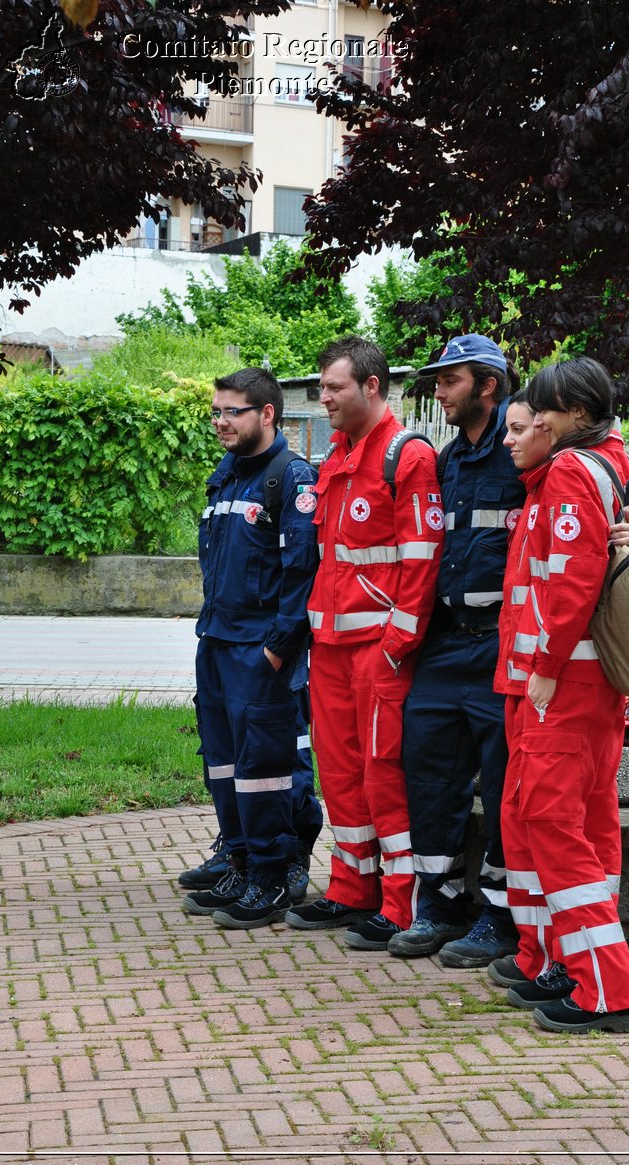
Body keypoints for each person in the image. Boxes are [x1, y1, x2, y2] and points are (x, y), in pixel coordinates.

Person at [490, 358, 629, 1033]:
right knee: (589, 821)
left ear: (575, 411)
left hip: (565, 679)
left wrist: (542, 663)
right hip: (593, 682)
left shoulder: (575, 470)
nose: (532, 419)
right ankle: (574, 967)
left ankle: (605, 988)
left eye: (543, 408)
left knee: (549, 820)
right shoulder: (623, 465)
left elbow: (570, 581)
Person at [285, 337, 444, 950]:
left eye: (333, 388)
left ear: (371, 387)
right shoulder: (337, 457)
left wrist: (395, 647)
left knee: (383, 775)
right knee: (342, 773)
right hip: (328, 648)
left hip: (380, 651)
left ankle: (399, 907)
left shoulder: (406, 457)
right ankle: (352, 889)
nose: (322, 398)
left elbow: (422, 561)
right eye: (322, 388)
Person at [387, 335, 525, 968]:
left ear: (487, 386)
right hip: (446, 645)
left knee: (502, 788)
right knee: (430, 772)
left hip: (501, 642)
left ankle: (499, 918)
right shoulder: (447, 461)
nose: (437, 391)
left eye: (449, 380)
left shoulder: (524, 455)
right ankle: (439, 904)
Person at [181, 367, 322, 930]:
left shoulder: (290, 478)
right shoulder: (227, 477)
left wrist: (278, 647)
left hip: (260, 650)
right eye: (216, 411)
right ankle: (238, 863)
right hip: (216, 643)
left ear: (266, 413)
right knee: (223, 764)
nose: (220, 421)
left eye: (231, 411)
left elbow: (303, 572)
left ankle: (272, 875)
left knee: (266, 768)